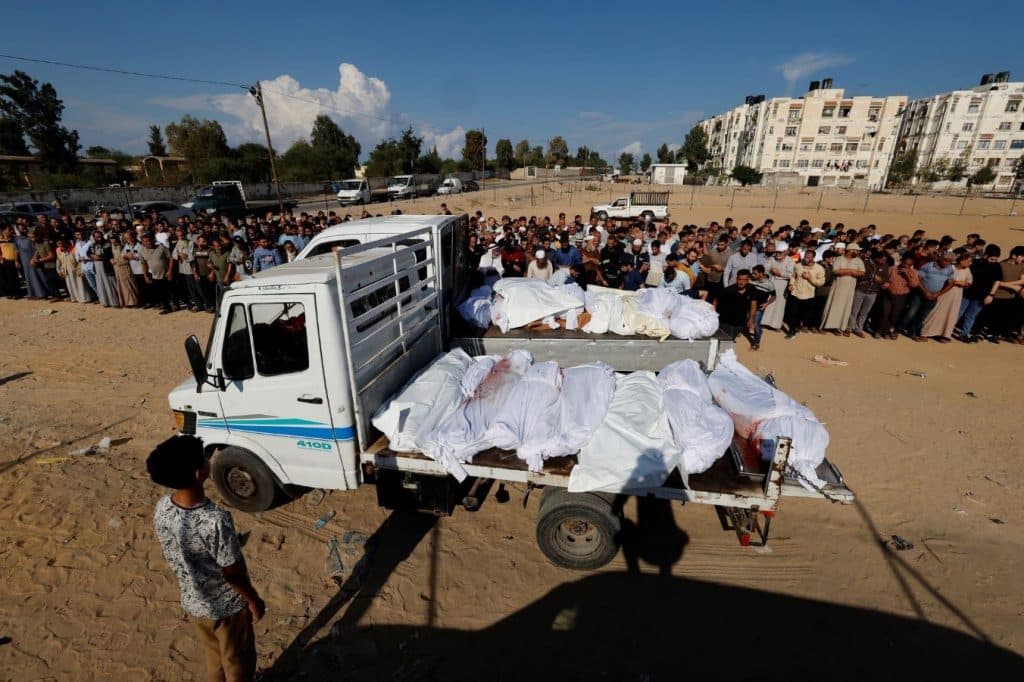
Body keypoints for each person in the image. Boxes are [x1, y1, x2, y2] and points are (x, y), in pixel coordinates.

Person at [147, 435, 264, 682]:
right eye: (204, 458)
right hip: (227, 609)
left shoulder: (162, 508)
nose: (209, 459)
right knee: (237, 663)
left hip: (194, 603)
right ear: (199, 474)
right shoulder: (215, 520)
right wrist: (253, 600)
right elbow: (231, 573)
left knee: (215, 659)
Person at [900, 251, 955, 341]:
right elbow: (919, 279)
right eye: (946, 260)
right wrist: (926, 292)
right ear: (940, 258)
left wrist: (938, 294)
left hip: (934, 297)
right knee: (910, 312)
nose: (947, 263)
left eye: (950, 261)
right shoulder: (928, 266)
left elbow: (950, 284)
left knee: (922, 316)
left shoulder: (949, 269)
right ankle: (898, 328)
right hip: (920, 294)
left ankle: (913, 333)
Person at [920, 252, 972, 342]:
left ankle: (944, 335)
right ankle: (926, 332)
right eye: (969, 261)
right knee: (936, 312)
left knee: (951, 314)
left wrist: (964, 283)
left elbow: (969, 283)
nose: (970, 263)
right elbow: (947, 281)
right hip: (944, 293)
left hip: (956, 296)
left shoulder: (967, 270)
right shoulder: (950, 267)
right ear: (962, 261)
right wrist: (958, 282)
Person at [957, 244, 1002, 342]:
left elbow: (997, 281)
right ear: (986, 255)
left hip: (981, 296)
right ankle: (947, 331)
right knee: (958, 313)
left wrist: (991, 295)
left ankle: (964, 334)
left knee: (971, 315)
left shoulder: (997, 266)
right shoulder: (975, 263)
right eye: (992, 259)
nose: (994, 261)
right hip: (967, 293)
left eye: (996, 259)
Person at [820, 243, 865, 335]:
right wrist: (851, 271)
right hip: (838, 288)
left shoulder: (858, 260)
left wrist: (845, 271)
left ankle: (837, 327)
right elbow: (836, 271)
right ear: (850, 250)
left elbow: (862, 272)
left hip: (849, 289)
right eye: (855, 250)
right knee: (833, 306)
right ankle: (825, 326)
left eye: (858, 251)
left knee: (845, 308)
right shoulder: (839, 259)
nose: (857, 252)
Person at [713, 269, 762, 348]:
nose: (741, 282)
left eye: (744, 280)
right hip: (726, 320)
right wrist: (714, 311)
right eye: (739, 279)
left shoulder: (752, 289)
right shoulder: (728, 290)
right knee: (727, 340)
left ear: (748, 280)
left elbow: (753, 305)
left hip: (740, 322)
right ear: (736, 279)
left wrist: (751, 319)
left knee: (732, 337)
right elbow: (716, 299)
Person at [847, 251, 890, 337]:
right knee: (854, 310)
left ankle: (858, 329)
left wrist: (880, 280)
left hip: (873, 292)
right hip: (860, 290)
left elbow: (885, 279)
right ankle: (849, 328)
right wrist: (872, 276)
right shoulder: (865, 263)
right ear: (877, 257)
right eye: (882, 259)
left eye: (885, 260)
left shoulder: (885, 266)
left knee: (864, 312)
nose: (883, 261)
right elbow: (860, 275)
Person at [785, 249, 825, 338]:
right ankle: (792, 330)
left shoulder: (819, 268)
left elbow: (821, 282)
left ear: (813, 258)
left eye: (809, 257)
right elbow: (793, 276)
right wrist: (791, 284)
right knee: (793, 312)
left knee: (803, 313)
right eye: (806, 257)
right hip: (796, 292)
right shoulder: (798, 265)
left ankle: (799, 325)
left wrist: (810, 278)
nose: (806, 259)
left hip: (808, 294)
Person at [877, 258, 919, 340]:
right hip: (888, 293)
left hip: (901, 296)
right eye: (905, 263)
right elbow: (884, 280)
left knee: (894, 315)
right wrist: (888, 288)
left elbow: (914, 285)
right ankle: (878, 331)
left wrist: (907, 275)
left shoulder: (913, 272)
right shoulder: (892, 268)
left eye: (908, 265)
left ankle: (886, 332)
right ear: (902, 262)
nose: (906, 266)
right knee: (885, 312)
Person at [760, 242, 792, 330]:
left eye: (780, 252)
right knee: (768, 300)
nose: (778, 254)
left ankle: (775, 325)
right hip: (771, 282)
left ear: (785, 251)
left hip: (783, 284)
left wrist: (780, 273)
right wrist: (771, 269)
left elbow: (791, 274)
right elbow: (765, 268)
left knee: (779, 304)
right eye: (777, 251)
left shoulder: (790, 261)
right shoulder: (772, 259)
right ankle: (764, 322)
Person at [110, 234, 140, 307]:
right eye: (112, 242)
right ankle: (127, 301)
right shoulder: (113, 247)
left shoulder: (123, 246)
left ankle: (133, 301)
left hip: (125, 266)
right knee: (123, 285)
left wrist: (119, 260)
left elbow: (127, 256)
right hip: (117, 268)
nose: (114, 243)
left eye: (115, 242)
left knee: (129, 284)